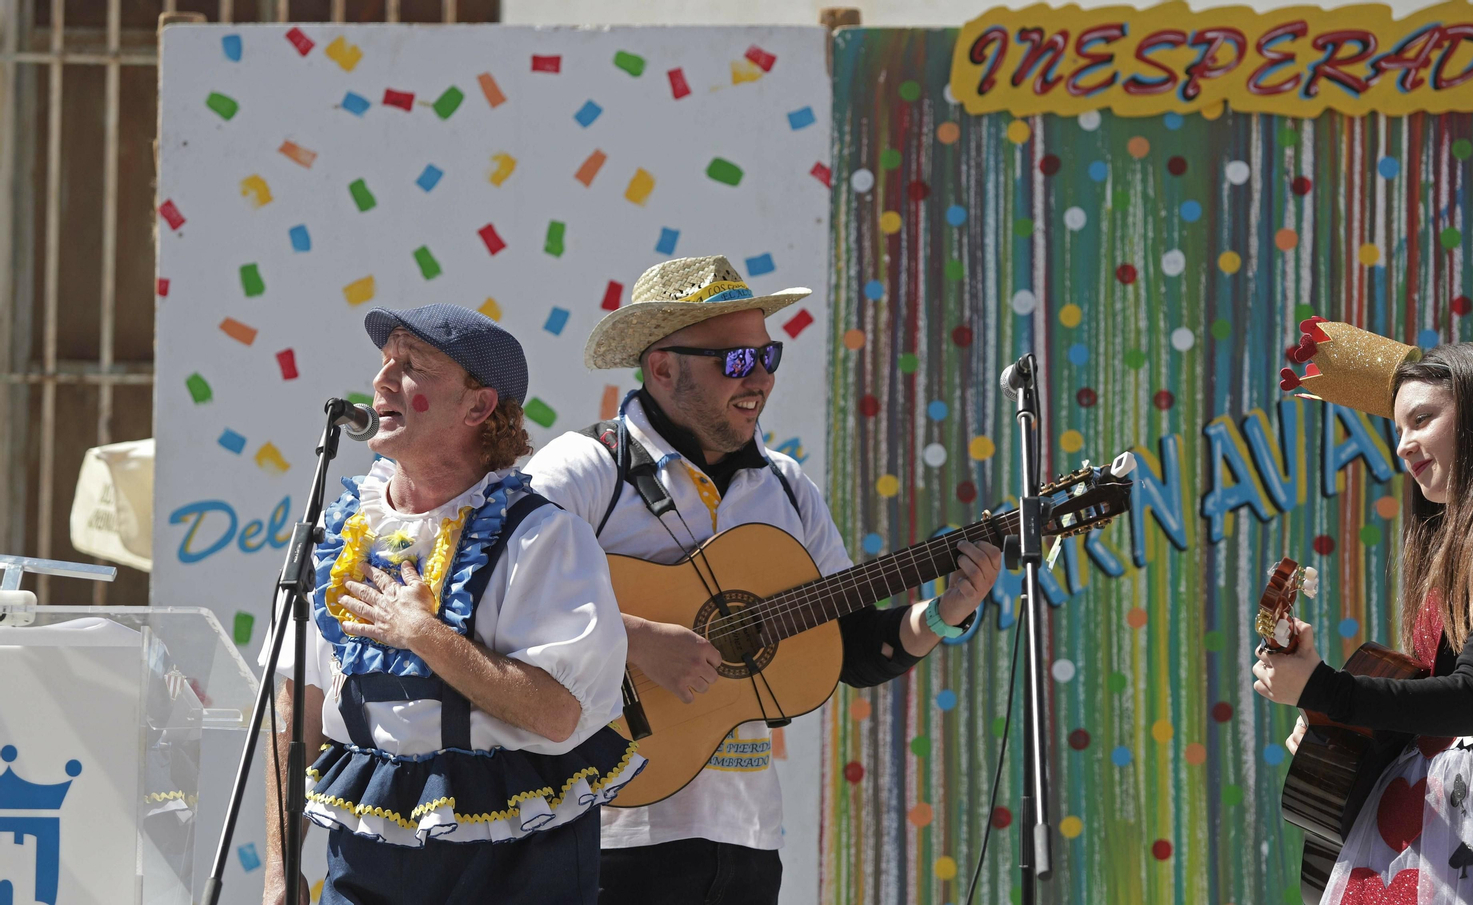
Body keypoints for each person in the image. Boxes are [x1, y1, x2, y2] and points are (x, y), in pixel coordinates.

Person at [523, 255, 1002, 904]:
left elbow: (850, 646)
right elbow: (499, 582)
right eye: (736, 362)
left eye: (767, 357)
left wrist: (944, 611)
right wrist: (634, 639)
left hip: (747, 844)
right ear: (663, 367)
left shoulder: (786, 486)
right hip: (608, 840)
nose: (760, 381)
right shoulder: (586, 468)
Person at [261, 304, 644, 905]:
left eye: (412, 366)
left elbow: (557, 714)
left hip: (514, 859)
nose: (382, 381)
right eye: (385, 362)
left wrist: (423, 634)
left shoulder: (544, 538)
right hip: (366, 855)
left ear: (478, 407)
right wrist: (280, 873)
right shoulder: (337, 533)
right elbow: (296, 709)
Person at [1257, 327, 1473, 904]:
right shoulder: (1454, 558)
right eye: (1397, 429)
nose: (1402, 446)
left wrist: (1327, 689)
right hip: (1438, 811)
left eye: (1421, 421)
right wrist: (1335, 725)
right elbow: (1431, 701)